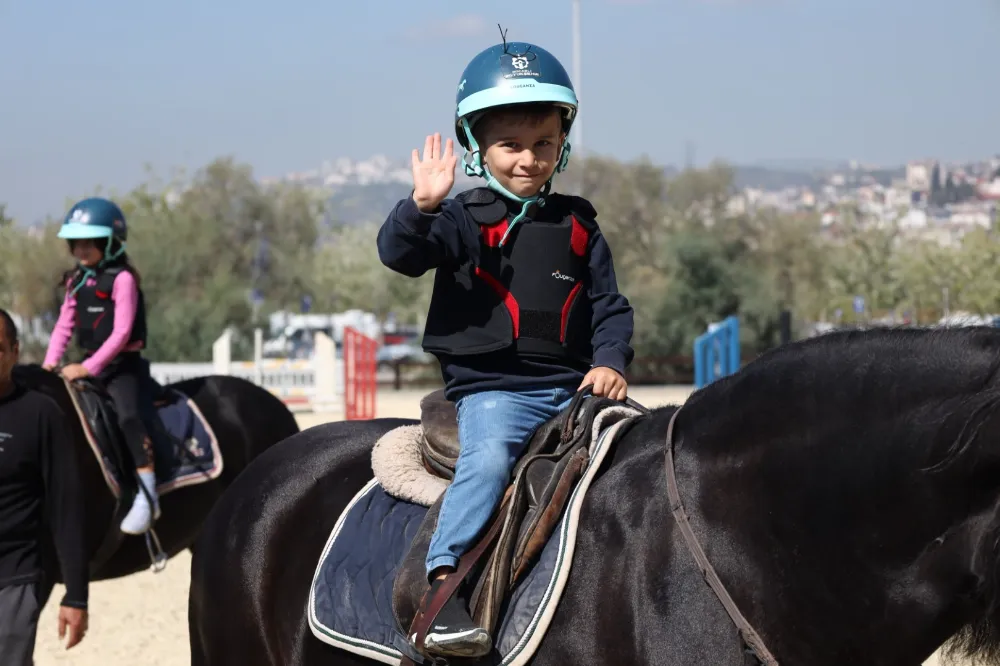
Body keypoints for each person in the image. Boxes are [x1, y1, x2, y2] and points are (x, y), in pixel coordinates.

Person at [377, 36, 634, 657]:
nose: (529, 159)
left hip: (575, 392)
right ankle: (442, 590)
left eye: (543, 144)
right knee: (489, 462)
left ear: (561, 144)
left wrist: (608, 361)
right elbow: (400, 255)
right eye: (511, 145)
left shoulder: (580, 225)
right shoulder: (461, 218)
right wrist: (420, 207)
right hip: (495, 393)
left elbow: (609, 309)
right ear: (478, 147)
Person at [42, 197, 160, 535]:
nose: (80, 249)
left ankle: (148, 493)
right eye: (75, 242)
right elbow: (64, 325)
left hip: (121, 367)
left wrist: (88, 368)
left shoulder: (123, 279)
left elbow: (122, 333)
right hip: (85, 365)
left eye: (88, 242)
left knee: (127, 416)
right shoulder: (76, 280)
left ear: (109, 242)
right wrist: (50, 363)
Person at [0, 308, 89, 664]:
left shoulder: (42, 414)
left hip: (13, 581)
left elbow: (66, 506)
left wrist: (76, 595)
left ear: (15, 352)